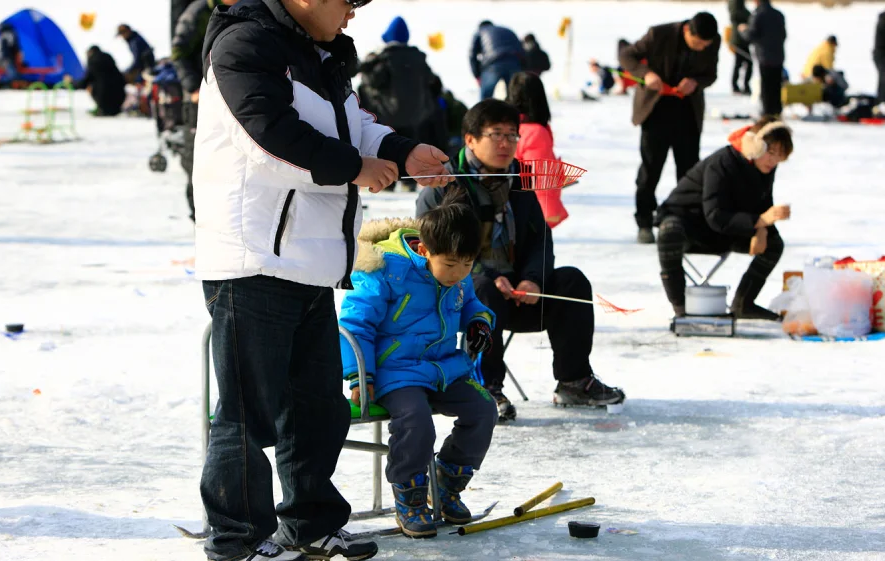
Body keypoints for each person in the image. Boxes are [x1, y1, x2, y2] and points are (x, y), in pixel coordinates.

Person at [193, 0, 453, 558]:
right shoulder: (244, 45)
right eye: (347, 2)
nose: (353, 15)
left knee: (316, 408)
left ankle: (310, 524)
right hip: (253, 258)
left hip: (309, 263)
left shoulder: (320, 56)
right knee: (248, 412)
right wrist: (355, 168)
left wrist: (405, 152)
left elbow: (353, 126)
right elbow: (268, 138)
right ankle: (238, 538)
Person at [416, 99, 625, 423]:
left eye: (512, 136)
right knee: (483, 288)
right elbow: (433, 254)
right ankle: (486, 387)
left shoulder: (519, 184)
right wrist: (484, 274)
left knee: (572, 280)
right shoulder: (444, 187)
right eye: (495, 134)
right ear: (470, 139)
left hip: (518, 293)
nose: (505, 143)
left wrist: (533, 280)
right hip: (460, 296)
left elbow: (541, 241)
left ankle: (573, 380)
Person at [339, 195, 497, 539]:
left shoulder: (459, 278)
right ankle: (409, 495)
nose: (459, 274)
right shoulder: (385, 271)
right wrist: (359, 374)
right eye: (451, 264)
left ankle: (446, 483)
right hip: (395, 371)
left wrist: (480, 323)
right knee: (416, 422)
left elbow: (472, 305)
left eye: (468, 265)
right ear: (424, 250)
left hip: (443, 368)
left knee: (484, 409)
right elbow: (355, 324)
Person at [655, 116, 793, 321]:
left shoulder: (764, 167)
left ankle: (743, 304)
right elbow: (715, 215)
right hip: (689, 224)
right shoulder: (722, 162)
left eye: (779, 156)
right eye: (770, 153)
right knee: (669, 233)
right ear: (755, 146)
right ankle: (681, 306)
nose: (773, 161)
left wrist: (762, 229)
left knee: (774, 245)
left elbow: (761, 205)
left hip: (722, 229)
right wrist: (759, 222)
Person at [619, 13, 720, 245]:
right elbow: (627, 55)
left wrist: (696, 82)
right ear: (687, 31)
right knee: (651, 168)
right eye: (698, 44)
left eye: (706, 45)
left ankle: (685, 224)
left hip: (687, 112)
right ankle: (644, 221)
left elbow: (710, 74)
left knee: (690, 172)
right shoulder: (659, 34)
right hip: (656, 111)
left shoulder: (712, 41)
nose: (703, 48)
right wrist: (647, 75)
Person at [357, 16, 446, 191]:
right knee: (410, 147)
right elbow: (434, 83)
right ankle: (409, 182)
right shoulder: (419, 58)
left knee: (390, 147)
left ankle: (388, 182)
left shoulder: (383, 58)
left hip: (388, 115)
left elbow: (373, 82)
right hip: (416, 115)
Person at [172, 0, 238, 222]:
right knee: (197, 164)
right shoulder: (199, 11)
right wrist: (192, 87)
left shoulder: (251, 6)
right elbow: (178, 51)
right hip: (199, 100)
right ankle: (198, 224)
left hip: (233, 99)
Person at [506, 72, 568, 228]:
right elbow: (539, 178)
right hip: (529, 215)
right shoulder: (535, 133)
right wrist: (549, 212)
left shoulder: (506, 127)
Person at [738, 0, 787, 117]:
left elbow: (751, 35)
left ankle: (767, 113)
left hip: (765, 57)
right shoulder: (778, 14)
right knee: (776, 86)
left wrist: (743, 30)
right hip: (778, 56)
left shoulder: (758, 15)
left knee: (766, 87)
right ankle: (776, 111)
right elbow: (784, 35)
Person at [470, 21, 524, 100]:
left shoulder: (481, 31)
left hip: (493, 64)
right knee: (515, 97)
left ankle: (485, 112)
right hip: (514, 62)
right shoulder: (507, 30)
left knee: (485, 100)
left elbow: (472, 55)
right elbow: (521, 49)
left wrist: (477, 75)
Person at [73, 46, 126, 117]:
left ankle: (102, 108)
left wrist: (72, 83)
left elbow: (85, 82)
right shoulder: (109, 60)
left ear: (90, 52)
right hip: (120, 98)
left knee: (91, 85)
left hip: (104, 99)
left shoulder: (93, 61)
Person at [728, 0, 753, 94]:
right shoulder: (736, 6)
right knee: (741, 63)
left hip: (742, 40)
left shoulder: (740, 6)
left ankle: (741, 86)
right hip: (738, 41)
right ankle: (737, 86)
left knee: (744, 63)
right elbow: (734, 15)